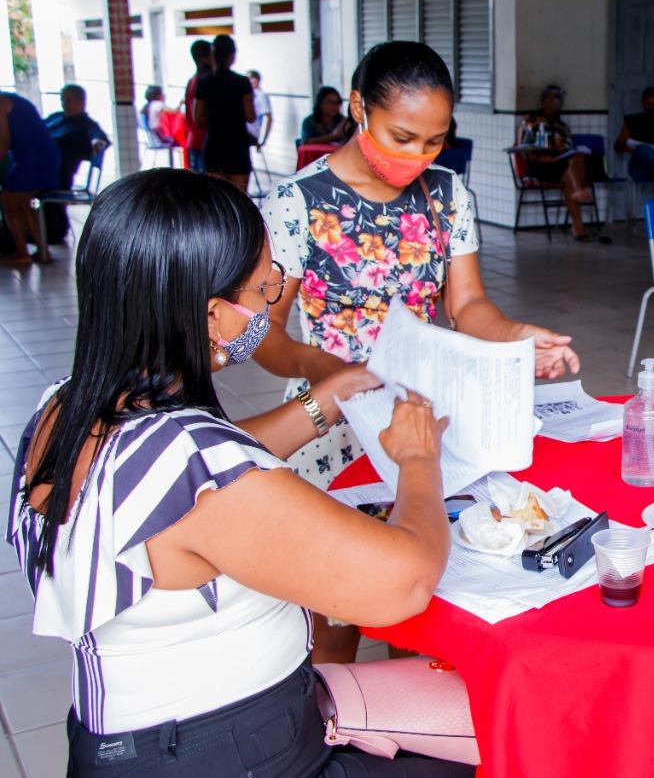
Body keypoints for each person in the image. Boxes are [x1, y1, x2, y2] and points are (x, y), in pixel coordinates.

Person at [6, 167, 474, 776]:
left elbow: (189, 480)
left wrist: (325, 399)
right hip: (226, 752)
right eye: (263, 288)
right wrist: (418, 461)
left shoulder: (64, 408)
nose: (272, 298)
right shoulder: (194, 460)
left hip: (129, 742)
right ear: (209, 317)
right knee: (510, 737)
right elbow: (404, 582)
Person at [258, 41, 580, 663]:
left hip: (421, 426)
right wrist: (322, 369)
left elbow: (468, 307)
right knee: (337, 612)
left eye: (434, 141)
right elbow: (267, 337)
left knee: (420, 593)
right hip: (331, 429)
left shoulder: (447, 195)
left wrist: (513, 334)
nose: (417, 156)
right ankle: (341, 740)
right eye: (402, 137)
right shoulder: (298, 204)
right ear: (358, 108)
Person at [519, 85, 597, 242]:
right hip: (540, 164)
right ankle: (579, 193)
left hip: (560, 164)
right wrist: (545, 154)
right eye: (548, 100)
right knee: (571, 171)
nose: (551, 104)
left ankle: (578, 224)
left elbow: (568, 146)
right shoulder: (531, 121)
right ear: (542, 102)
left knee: (577, 161)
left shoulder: (563, 126)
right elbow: (524, 148)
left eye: (555, 100)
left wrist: (561, 148)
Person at [42, 84, 111, 243]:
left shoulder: (86, 125)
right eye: (63, 99)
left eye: (69, 99)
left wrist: (96, 145)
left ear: (81, 101)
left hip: (58, 175)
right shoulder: (56, 117)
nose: (65, 103)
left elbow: (100, 140)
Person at [0, 93, 61, 265]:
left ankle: (22, 254)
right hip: (42, 157)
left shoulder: (1, 103)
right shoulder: (11, 99)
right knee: (24, 203)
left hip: (34, 160)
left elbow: (3, 142)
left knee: (8, 201)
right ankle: (42, 251)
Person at [194, 34, 255, 192]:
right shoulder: (242, 82)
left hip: (215, 144)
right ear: (232, 56)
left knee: (217, 200)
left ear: (213, 55)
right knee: (239, 198)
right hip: (237, 144)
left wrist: (216, 115)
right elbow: (250, 116)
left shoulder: (204, 82)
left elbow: (198, 119)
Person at [183, 39, 213, 173]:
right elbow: (200, 117)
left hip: (193, 140)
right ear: (204, 58)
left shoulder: (192, 80)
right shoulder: (205, 82)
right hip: (205, 141)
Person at [247, 69, 273, 148]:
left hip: (251, 133)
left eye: (251, 79)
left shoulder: (261, 95)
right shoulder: (248, 94)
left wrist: (264, 139)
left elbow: (269, 118)